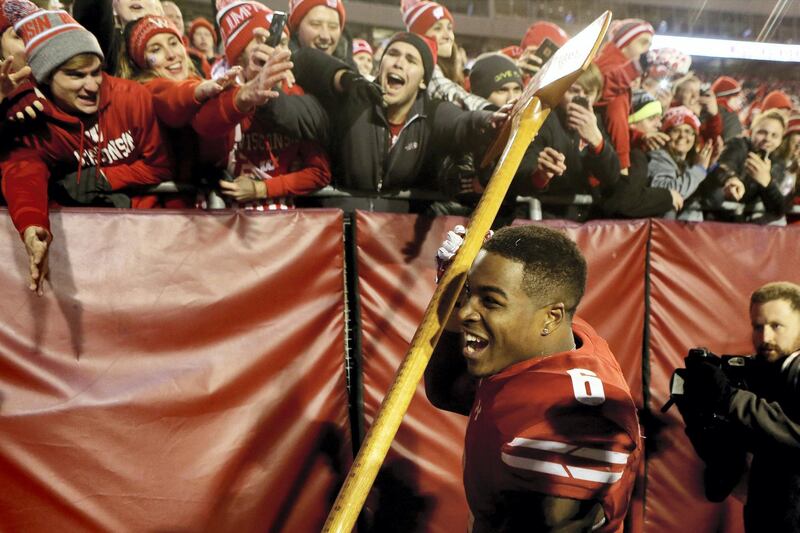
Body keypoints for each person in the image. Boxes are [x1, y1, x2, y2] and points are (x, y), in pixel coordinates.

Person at [426, 224, 642, 533]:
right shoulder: (541, 339)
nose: (465, 314)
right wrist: (452, 294)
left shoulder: (576, 424)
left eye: (491, 301)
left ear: (550, 318)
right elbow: (448, 389)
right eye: (469, 296)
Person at [1, 0, 172, 295]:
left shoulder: (132, 97)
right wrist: (32, 227)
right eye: (76, 75)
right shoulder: (36, 118)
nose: (92, 85)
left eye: (96, 72)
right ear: (47, 78)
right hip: (79, 260)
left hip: (146, 249)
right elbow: (23, 174)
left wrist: (105, 180)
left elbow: (161, 166)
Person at [259, 31, 502, 211]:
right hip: (337, 237)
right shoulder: (353, 102)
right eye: (393, 54)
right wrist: (266, 91)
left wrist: (489, 120)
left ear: (423, 81)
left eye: (411, 60)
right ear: (380, 65)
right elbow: (294, 113)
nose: (399, 62)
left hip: (390, 245)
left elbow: (462, 124)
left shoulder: (432, 112)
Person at [678, 281, 800, 532]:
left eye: (777, 326)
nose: (765, 337)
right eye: (758, 326)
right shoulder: (767, 372)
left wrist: (729, 398)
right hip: (768, 514)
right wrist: (701, 415)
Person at [603, 90, 684, 218]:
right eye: (651, 118)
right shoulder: (634, 155)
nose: (659, 124)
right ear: (632, 123)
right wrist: (667, 196)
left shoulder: (638, 150)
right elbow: (626, 201)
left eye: (659, 119)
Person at [401, 0, 492, 111]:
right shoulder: (423, 68)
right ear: (420, 37)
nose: (447, 35)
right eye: (438, 28)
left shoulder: (452, 70)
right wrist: (490, 110)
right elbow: (446, 90)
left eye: (449, 28)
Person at [707, 110, 790, 225]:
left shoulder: (778, 163)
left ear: (780, 140)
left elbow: (778, 210)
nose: (768, 139)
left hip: (749, 228)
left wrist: (767, 183)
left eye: (774, 135)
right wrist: (731, 179)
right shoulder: (738, 145)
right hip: (717, 221)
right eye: (762, 132)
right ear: (751, 132)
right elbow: (725, 166)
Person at [648, 106, 715, 221]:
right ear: (665, 134)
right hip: (660, 231)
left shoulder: (688, 162)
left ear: (695, 138)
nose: (683, 136)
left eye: (688, 131)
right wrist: (699, 170)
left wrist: (713, 168)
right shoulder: (658, 156)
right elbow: (666, 193)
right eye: (676, 130)